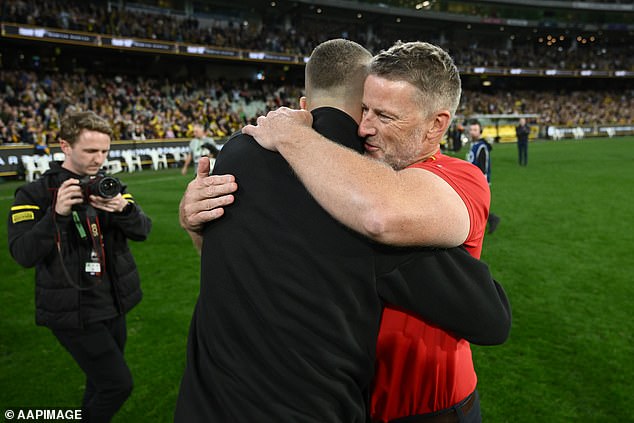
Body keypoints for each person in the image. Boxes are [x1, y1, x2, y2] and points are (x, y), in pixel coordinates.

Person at [176, 39, 510, 422]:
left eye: (384, 116)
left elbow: (382, 211)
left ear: (437, 124)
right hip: (360, 398)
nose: (365, 128)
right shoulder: (346, 174)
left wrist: (294, 136)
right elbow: (254, 269)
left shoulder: (455, 176)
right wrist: (197, 226)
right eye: (363, 109)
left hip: (429, 405)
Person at [7, 111, 152, 422]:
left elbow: (143, 231)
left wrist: (124, 209)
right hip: (71, 311)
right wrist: (55, 214)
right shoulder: (33, 194)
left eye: (104, 151)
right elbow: (22, 254)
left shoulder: (108, 185)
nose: (98, 159)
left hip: (113, 305)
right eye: (90, 151)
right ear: (65, 146)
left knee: (99, 384)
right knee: (117, 386)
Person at [467, 119, 501, 235]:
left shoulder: (481, 147)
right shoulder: (474, 145)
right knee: (476, 207)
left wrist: (479, 182)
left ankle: (489, 221)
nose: (472, 132)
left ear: (480, 131)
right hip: (472, 181)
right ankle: (490, 221)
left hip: (478, 182)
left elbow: (483, 167)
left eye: (475, 130)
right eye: (471, 130)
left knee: (475, 207)